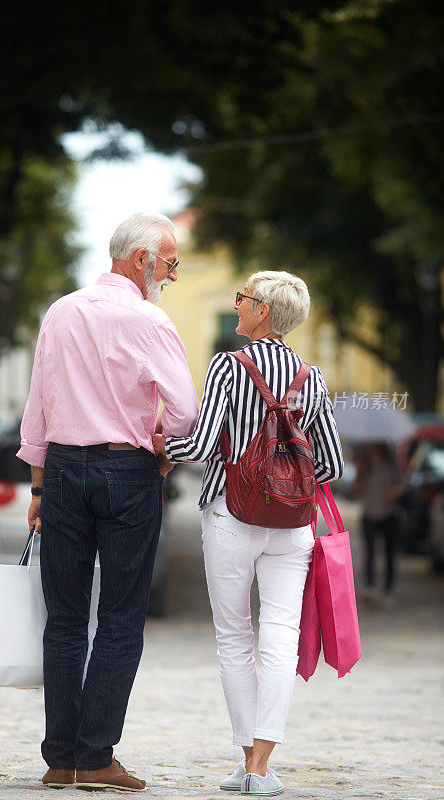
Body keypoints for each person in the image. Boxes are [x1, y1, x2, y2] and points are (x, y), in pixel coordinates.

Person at [17, 213, 198, 792]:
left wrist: (39, 485)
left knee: (64, 617)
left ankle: (60, 759)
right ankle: (96, 758)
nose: (171, 274)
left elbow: (38, 405)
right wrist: (163, 447)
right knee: (120, 617)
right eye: (169, 262)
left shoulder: (61, 311)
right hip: (127, 469)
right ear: (142, 259)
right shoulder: (150, 319)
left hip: (65, 469)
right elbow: (186, 412)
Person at [153, 270, 343, 796]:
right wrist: (286, 478)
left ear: (262, 311)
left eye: (243, 298)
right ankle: (260, 767)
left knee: (235, 638)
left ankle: (249, 764)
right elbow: (330, 464)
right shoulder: (312, 375)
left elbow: (197, 447)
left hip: (231, 517)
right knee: (280, 637)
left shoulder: (228, 367)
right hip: (293, 527)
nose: (237, 304)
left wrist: (160, 448)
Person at [354, 443, 402, 603]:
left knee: (389, 554)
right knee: (369, 552)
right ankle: (369, 586)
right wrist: (359, 472)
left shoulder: (391, 463)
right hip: (369, 514)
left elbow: (402, 484)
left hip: (389, 514)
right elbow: (356, 489)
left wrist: (393, 492)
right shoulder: (365, 465)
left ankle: (388, 589)